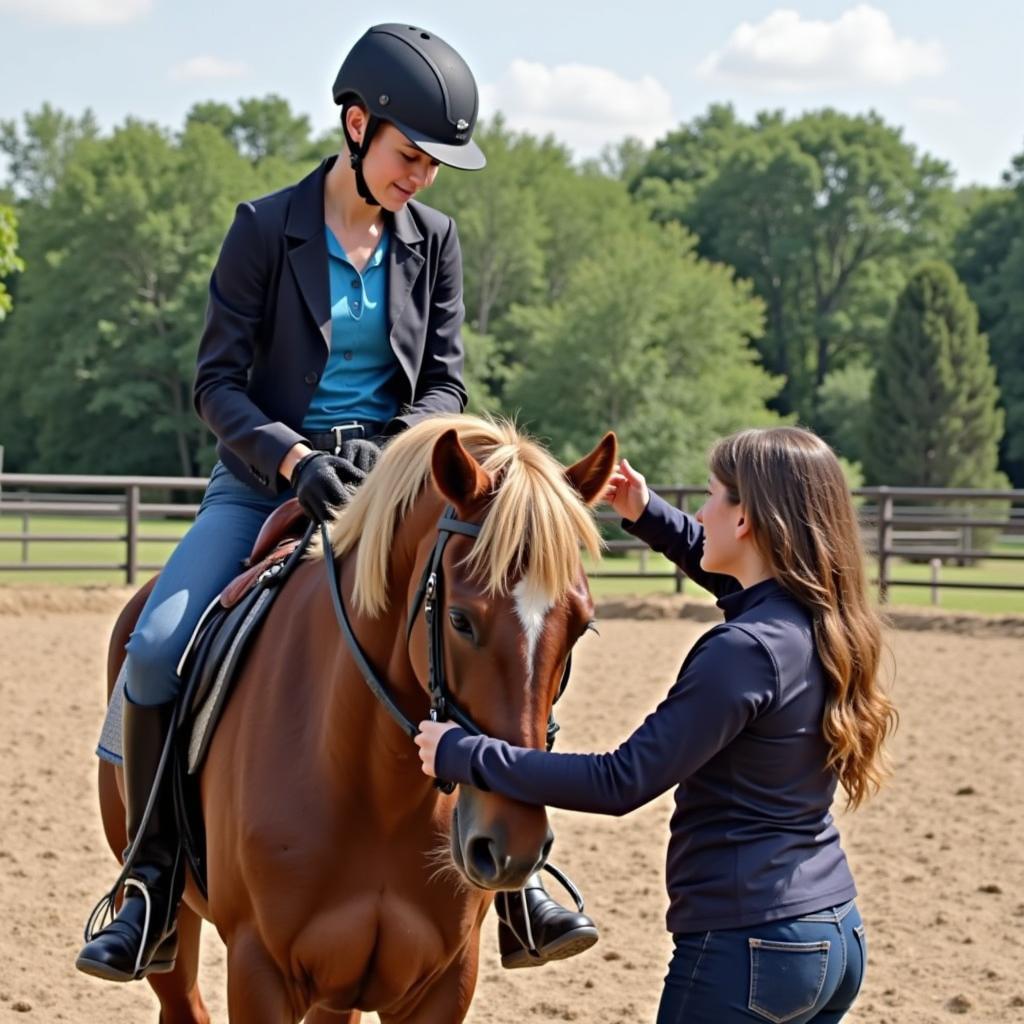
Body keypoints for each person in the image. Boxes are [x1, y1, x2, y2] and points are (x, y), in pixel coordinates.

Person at [77, 23, 592, 983]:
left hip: (395, 490)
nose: (422, 179)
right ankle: (149, 886)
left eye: (436, 165)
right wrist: (292, 459)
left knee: (499, 624)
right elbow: (218, 384)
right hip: (266, 480)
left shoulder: (434, 244)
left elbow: (443, 384)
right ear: (357, 125)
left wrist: (400, 456)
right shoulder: (264, 229)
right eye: (411, 156)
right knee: (154, 645)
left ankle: (519, 886)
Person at [417, 426, 898, 1023]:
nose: (701, 509)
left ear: (745, 520)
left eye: (712, 495)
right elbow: (732, 578)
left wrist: (465, 753)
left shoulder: (741, 652)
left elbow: (622, 781)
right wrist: (645, 512)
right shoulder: (820, 622)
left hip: (747, 947)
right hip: (833, 934)